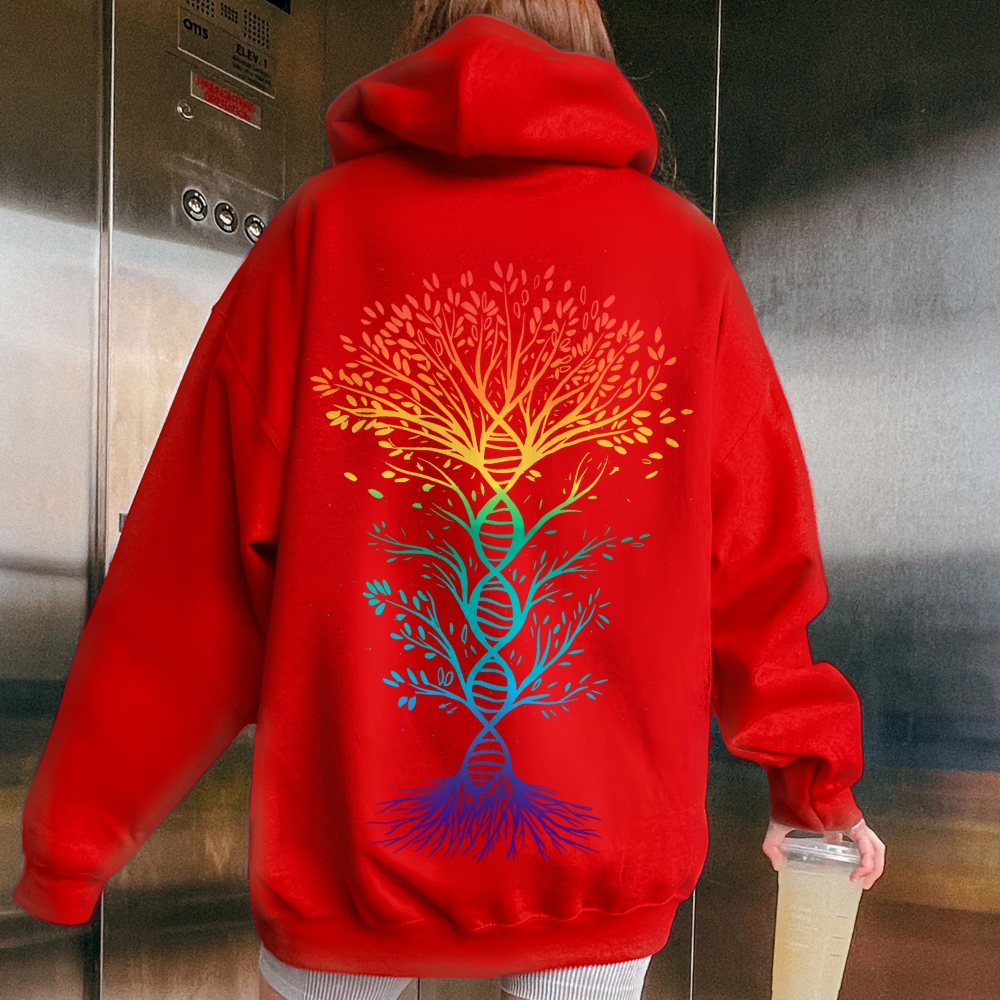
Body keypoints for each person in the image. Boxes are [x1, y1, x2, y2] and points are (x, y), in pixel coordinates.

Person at [12, 3, 885, 1000]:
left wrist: (73, 843)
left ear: (421, 36)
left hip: (348, 860)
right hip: (600, 864)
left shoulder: (320, 232)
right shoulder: (684, 255)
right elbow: (760, 565)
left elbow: (191, 568)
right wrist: (812, 788)